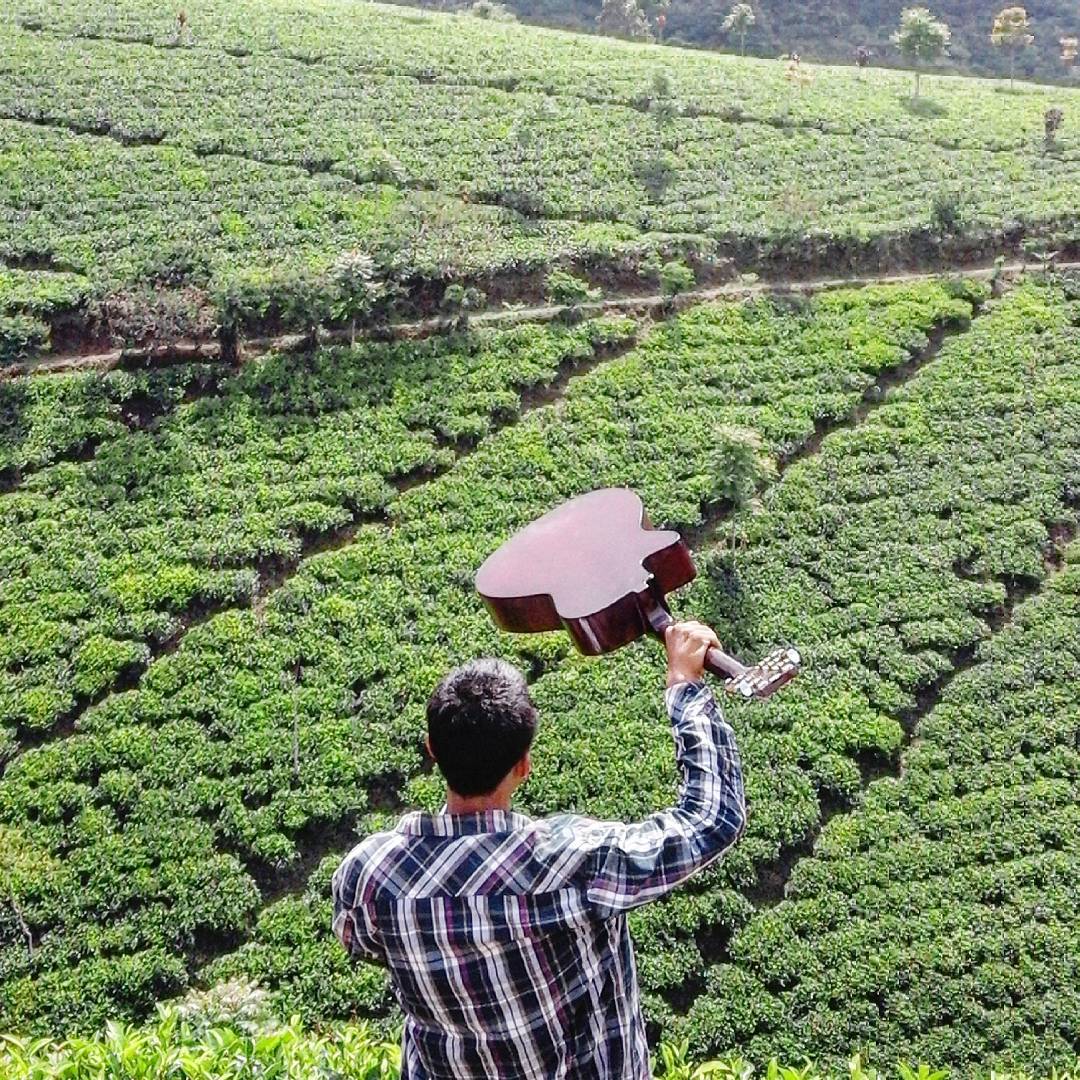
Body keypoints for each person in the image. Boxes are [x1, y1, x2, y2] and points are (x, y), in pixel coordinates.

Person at [332, 621, 747, 1079]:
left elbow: (364, 942)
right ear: (524, 765)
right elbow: (711, 820)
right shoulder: (567, 862)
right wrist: (684, 689)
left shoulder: (367, 877)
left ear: (432, 749)